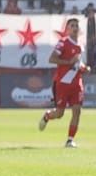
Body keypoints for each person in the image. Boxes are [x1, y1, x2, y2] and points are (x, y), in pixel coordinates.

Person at [38, 18, 90, 148]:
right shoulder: (63, 43)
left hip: (76, 83)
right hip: (63, 83)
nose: (75, 28)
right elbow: (52, 59)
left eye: (76, 26)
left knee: (77, 111)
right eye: (72, 26)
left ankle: (70, 140)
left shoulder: (80, 45)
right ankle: (47, 116)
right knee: (59, 113)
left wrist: (84, 68)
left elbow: (78, 63)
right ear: (67, 29)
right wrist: (68, 62)